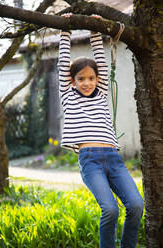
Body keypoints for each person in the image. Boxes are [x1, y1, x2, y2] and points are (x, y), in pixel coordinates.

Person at [58, 13, 143, 248]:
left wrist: (95, 31)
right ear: (72, 81)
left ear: (98, 79)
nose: (87, 82)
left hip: (114, 159)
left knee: (136, 205)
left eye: (91, 78)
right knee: (110, 209)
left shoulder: (102, 93)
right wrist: (65, 30)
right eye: (81, 78)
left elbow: (102, 62)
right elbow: (63, 63)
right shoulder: (68, 96)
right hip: (91, 160)